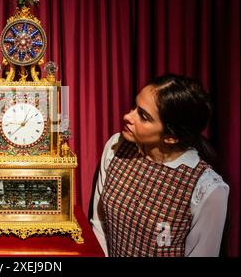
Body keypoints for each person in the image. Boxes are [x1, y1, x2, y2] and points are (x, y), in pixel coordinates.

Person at [90, 74, 229, 257]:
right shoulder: (116, 146)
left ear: (171, 137)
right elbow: (99, 224)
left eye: (143, 116)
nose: (127, 116)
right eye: (134, 106)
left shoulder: (208, 188)